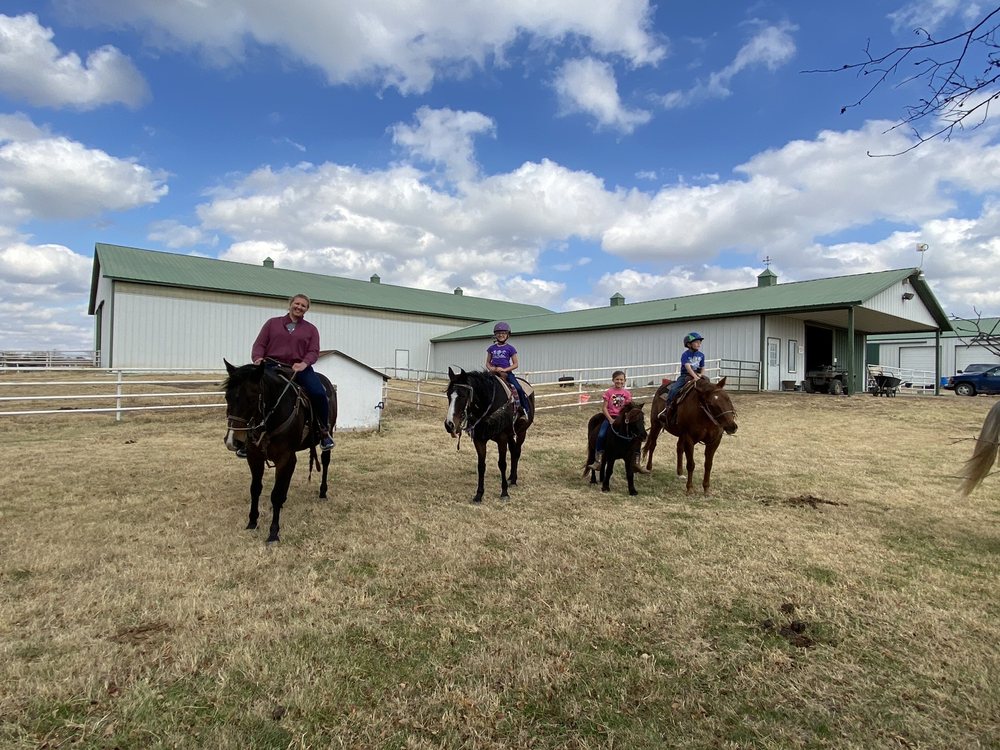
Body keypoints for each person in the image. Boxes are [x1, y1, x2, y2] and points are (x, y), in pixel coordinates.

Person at [238, 293, 334, 457]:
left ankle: (323, 431)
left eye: (303, 305)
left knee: (318, 393)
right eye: (297, 303)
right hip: (271, 366)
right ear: (290, 304)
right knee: (251, 393)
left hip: (298, 368)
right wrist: (258, 358)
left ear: (307, 309)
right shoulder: (272, 323)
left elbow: (313, 351)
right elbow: (259, 344)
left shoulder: (311, 329)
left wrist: (304, 364)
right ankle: (247, 437)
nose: (299, 307)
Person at [586, 370, 645, 472]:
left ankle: (636, 461)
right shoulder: (609, 392)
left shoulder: (627, 393)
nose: (619, 381)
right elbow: (604, 408)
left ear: (625, 381)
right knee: (601, 435)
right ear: (613, 380)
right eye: (617, 379)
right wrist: (610, 419)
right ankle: (598, 460)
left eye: (621, 379)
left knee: (637, 436)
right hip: (611, 417)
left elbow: (629, 408)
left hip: (623, 419)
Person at [486, 321, 529, 417]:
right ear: (495, 335)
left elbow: (516, 364)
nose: (501, 335)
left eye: (503, 333)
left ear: (508, 335)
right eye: (498, 333)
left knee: (518, 388)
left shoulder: (510, 348)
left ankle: (524, 409)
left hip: (506, 373)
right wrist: (492, 368)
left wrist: (505, 370)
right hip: (493, 372)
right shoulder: (491, 348)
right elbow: (487, 362)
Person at [663, 332, 706, 423]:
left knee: (708, 384)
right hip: (686, 375)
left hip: (697, 375)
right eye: (696, 342)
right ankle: (668, 408)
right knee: (674, 389)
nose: (699, 344)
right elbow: (687, 367)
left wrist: (701, 375)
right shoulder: (685, 355)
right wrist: (695, 377)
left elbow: (703, 367)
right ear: (689, 344)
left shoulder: (701, 355)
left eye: (700, 342)